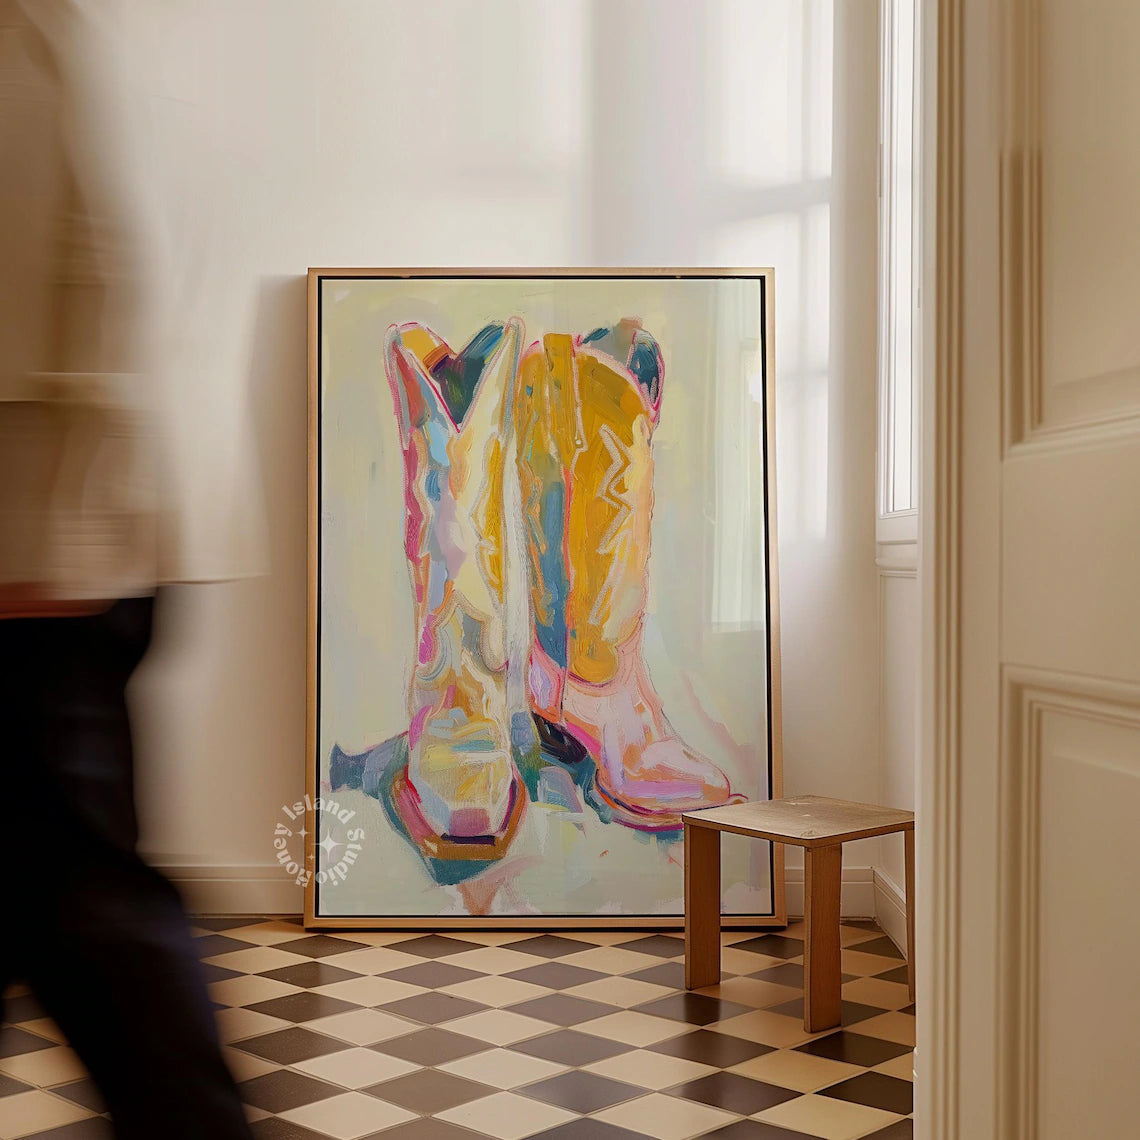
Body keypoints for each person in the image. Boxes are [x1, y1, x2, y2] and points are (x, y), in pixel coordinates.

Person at [1, 3, 263, 1136]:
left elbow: (115, 261)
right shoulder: (112, 40)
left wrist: (60, 532)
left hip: (49, 536)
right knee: (68, 885)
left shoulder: (42, 29)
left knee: (86, 898)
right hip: (74, 524)